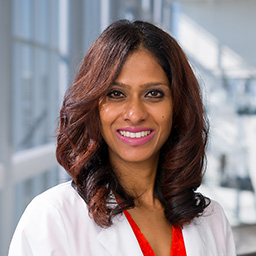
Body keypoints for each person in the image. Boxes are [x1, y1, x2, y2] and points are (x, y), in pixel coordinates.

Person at [8, 19, 236, 256]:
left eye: (153, 94)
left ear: (177, 106)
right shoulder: (53, 218)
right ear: (93, 105)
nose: (135, 114)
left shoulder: (212, 220)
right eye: (116, 94)